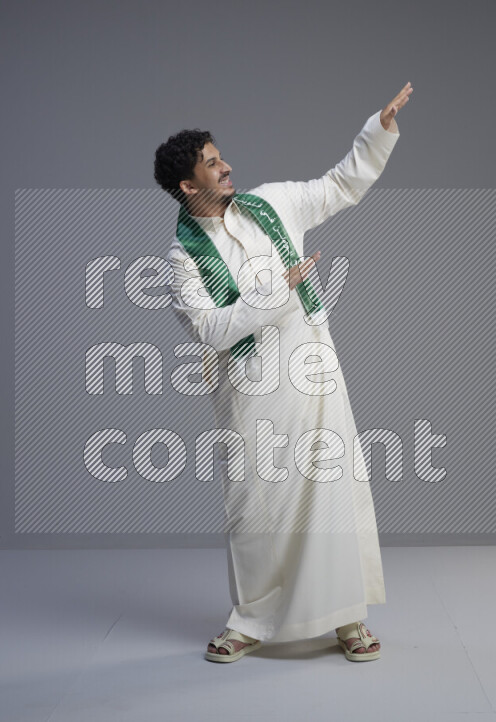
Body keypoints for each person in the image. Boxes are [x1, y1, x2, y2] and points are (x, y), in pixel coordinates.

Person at [153, 83, 412, 663]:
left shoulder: (272, 203)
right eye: (212, 164)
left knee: (331, 493)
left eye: (222, 156)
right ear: (187, 186)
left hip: (313, 371)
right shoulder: (179, 260)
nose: (227, 167)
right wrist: (278, 292)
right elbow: (213, 331)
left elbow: (340, 185)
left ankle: (346, 618)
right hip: (249, 392)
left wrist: (380, 128)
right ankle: (251, 620)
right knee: (256, 506)